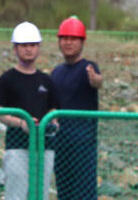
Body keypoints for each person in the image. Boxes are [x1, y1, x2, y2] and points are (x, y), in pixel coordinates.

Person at [0, 21, 60, 200]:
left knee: (40, 195)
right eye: (24, 45)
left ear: (39, 48)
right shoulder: (5, 80)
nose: (29, 49)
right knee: (16, 195)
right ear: (15, 48)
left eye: (33, 45)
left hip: (44, 148)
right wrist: (21, 123)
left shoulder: (47, 80)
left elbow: (53, 109)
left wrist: (53, 123)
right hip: (17, 147)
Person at [51, 16, 103, 200]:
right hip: (60, 142)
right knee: (64, 193)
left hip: (83, 144)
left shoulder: (88, 67)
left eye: (73, 39)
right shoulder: (56, 72)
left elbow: (97, 81)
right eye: (64, 38)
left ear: (82, 42)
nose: (68, 43)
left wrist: (96, 80)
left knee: (84, 193)